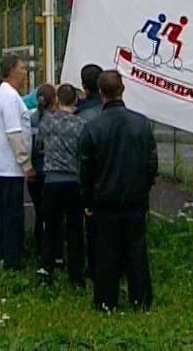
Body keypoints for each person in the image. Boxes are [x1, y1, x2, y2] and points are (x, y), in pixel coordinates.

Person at [79, 70, 158, 310]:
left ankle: (106, 300)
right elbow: (152, 163)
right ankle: (141, 299)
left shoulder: (92, 127)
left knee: (106, 252)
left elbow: (86, 169)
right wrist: (144, 187)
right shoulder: (142, 124)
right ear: (122, 89)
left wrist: (88, 200)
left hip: (104, 200)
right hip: (135, 198)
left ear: (100, 92)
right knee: (136, 250)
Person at [38, 83, 87, 287]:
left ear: (57, 100)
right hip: (73, 181)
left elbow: (39, 145)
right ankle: (76, 276)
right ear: (75, 100)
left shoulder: (47, 122)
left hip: (51, 181)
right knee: (75, 229)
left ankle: (46, 270)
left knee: (51, 227)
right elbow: (84, 152)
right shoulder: (81, 124)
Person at [0, 54, 34, 270]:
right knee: (12, 215)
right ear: (12, 71)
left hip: (4, 165)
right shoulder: (9, 98)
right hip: (10, 167)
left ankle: (5, 255)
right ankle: (11, 259)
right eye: (22, 68)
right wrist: (26, 164)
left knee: (5, 212)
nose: (25, 72)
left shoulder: (6, 94)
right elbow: (14, 134)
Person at [75, 63, 103, 280]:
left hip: (92, 180)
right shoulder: (119, 114)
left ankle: (94, 267)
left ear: (84, 86)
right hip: (117, 180)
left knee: (92, 227)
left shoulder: (81, 116)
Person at [28, 83, 56, 261]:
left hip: (34, 172)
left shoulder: (30, 119)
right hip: (50, 172)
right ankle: (52, 251)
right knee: (52, 214)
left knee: (39, 212)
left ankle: (39, 249)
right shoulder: (54, 121)